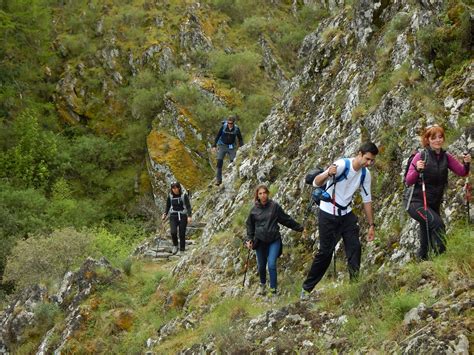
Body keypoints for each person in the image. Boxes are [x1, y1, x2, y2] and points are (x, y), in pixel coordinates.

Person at [300, 142, 379, 299]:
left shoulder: (365, 175)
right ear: (359, 154)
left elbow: (367, 200)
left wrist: (371, 225)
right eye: (367, 159)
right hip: (328, 213)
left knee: (355, 247)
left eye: (372, 161)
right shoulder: (342, 165)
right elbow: (316, 183)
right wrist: (328, 173)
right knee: (325, 253)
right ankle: (306, 289)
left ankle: (355, 285)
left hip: (346, 214)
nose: (369, 163)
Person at [405, 124, 470, 260]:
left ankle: (422, 262)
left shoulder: (446, 156)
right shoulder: (420, 156)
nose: (438, 140)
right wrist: (417, 169)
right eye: (433, 138)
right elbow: (409, 181)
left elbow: (462, 172)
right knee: (437, 223)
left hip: (433, 204)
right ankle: (442, 257)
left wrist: (466, 163)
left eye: (440, 137)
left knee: (426, 236)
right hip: (416, 203)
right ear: (427, 140)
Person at [245, 184, 304, 296]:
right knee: (261, 266)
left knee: (271, 264)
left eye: (264, 193)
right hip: (260, 242)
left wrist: (299, 228)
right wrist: (249, 239)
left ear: (267, 193)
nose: (263, 195)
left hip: (274, 240)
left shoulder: (274, 207)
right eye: (260, 193)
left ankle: (273, 290)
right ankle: (262, 285)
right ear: (257, 195)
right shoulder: (253, 211)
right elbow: (250, 227)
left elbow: (286, 219)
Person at [212, 115, 243, 185]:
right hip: (222, 145)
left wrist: (242, 147)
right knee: (219, 162)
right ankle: (218, 180)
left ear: (233, 123)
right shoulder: (223, 127)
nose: (230, 125)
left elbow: (240, 138)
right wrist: (214, 145)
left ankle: (234, 178)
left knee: (234, 162)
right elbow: (218, 135)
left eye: (231, 123)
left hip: (231, 146)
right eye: (228, 123)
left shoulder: (236, 129)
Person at [162, 182, 192, 255]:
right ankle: (175, 245)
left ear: (179, 188)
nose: (175, 190)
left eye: (176, 188)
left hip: (182, 216)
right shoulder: (170, 196)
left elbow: (188, 206)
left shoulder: (184, 195)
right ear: (171, 189)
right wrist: (165, 214)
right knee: (173, 232)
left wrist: (189, 216)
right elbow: (167, 206)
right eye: (173, 188)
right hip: (173, 216)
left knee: (182, 233)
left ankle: (182, 250)